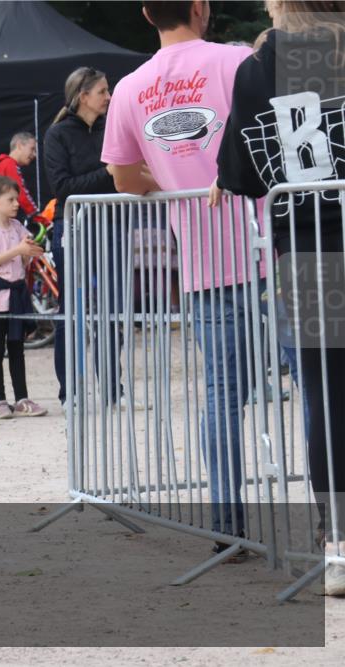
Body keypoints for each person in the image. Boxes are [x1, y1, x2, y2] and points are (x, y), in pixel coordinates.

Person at [102, 0, 254, 552]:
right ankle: (327, 520)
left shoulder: (128, 87)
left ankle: (226, 525)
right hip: (272, 248)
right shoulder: (236, 62)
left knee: (220, 393)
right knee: (313, 383)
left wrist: (170, 178)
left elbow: (122, 178)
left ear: (146, 14)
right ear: (201, 7)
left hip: (204, 260)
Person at [213, 0, 345, 593]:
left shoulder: (261, 66)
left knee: (330, 396)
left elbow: (240, 173)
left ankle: (340, 539)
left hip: (310, 247)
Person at [43, 66, 122, 409]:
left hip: (112, 224)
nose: (109, 96)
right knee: (71, 311)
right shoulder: (58, 134)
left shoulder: (113, 128)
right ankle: (70, 392)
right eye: (103, 91)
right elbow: (63, 189)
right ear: (83, 96)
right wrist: (107, 173)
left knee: (112, 309)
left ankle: (112, 389)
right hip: (72, 228)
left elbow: (126, 173)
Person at [0, 176, 49, 419]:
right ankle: (1, 400)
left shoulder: (18, 227)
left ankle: (22, 398)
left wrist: (29, 253)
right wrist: (18, 250)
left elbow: (24, 257)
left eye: (17, 199)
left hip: (17, 294)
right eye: (11, 199)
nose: (17, 204)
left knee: (17, 348)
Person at [0, 132, 40, 220]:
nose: (34, 154)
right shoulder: (9, 164)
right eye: (32, 149)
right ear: (19, 146)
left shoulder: (2, 163)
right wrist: (37, 216)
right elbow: (21, 193)